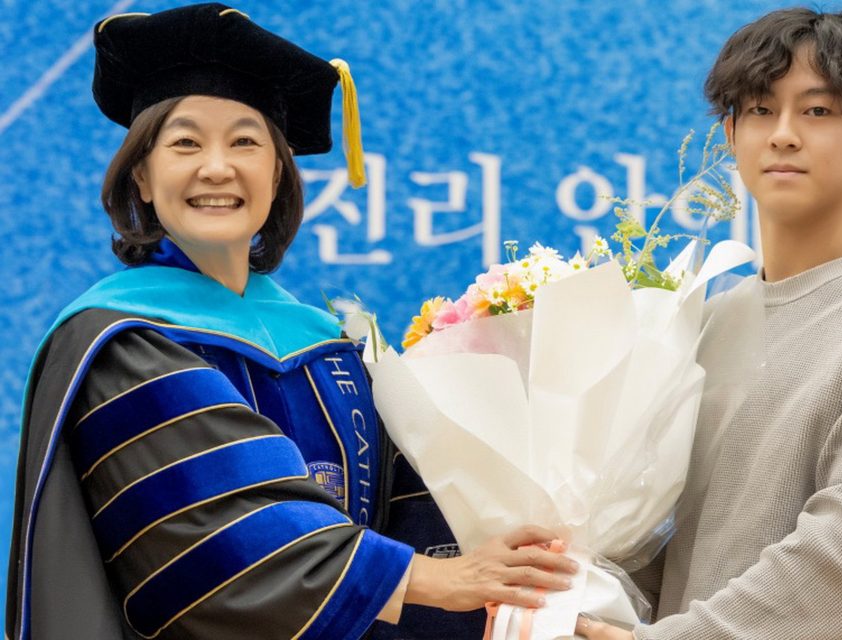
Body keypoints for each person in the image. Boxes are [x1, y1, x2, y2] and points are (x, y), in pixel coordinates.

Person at [5, 5, 577, 640]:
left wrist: (539, 581)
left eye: (245, 142)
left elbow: (415, 512)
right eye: (185, 143)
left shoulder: (332, 349)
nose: (216, 167)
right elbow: (217, 532)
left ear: (278, 174)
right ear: (141, 175)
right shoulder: (125, 345)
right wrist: (432, 580)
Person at [576, 7, 842, 640]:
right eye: (759, 110)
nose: (783, 135)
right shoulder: (709, 324)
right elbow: (664, 547)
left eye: (817, 110)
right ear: (730, 135)